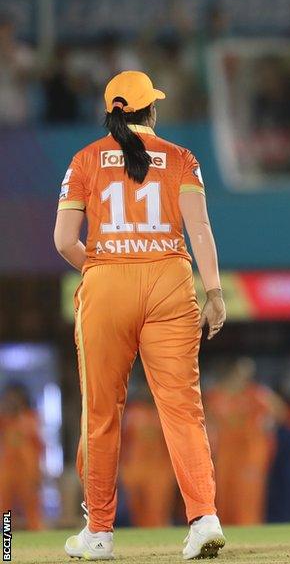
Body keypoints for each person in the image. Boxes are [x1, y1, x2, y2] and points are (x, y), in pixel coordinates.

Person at [53, 70, 227, 560]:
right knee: (182, 409)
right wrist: (214, 293)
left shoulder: (85, 159)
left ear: (112, 114)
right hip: (170, 281)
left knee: (101, 414)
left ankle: (100, 533)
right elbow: (201, 230)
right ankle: (204, 517)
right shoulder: (181, 159)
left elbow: (64, 240)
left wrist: (107, 264)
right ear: (152, 110)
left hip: (107, 283)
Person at [206, 358, 284, 526]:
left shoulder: (255, 393)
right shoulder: (214, 397)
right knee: (223, 500)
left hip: (249, 454)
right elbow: (205, 422)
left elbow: (279, 411)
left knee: (248, 498)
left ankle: (249, 536)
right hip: (224, 456)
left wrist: (267, 424)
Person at [120, 387, 176, 527]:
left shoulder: (164, 412)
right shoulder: (131, 413)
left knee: (158, 511)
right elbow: (122, 442)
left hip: (160, 471)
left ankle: (160, 540)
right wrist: (121, 467)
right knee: (137, 511)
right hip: (134, 469)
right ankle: (143, 542)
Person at [0, 383, 44, 530]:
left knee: (32, 506)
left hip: (27, 470)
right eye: (9, 398)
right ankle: (6, 537)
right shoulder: (4, 420)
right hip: (8, 469)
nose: (12, 400)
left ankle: (36, 533)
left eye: (15, 397)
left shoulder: (32, 418)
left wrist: (38, 472)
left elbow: (39, 446)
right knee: (5, 507)